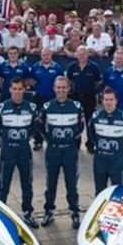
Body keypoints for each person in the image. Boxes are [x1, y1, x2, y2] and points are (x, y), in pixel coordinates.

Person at [0, 78, 40, 228]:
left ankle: (28, 212)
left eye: (20, 89)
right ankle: (1, 213)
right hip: (8, 152)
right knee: (3, 184)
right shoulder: (1, 108)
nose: (17, 92)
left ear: (24, 90)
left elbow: (34, 129)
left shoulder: (32, 107)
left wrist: (24, 140)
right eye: (15, 88)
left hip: (24, 151)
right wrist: (6, 142)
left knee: (27, 183)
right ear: (10, 90)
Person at [40, 76, 85, 229]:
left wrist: (71, 140)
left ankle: (74, 212)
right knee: (50, 183)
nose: (61, 90)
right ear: (54, 88)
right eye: (58, 87)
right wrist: (50, 140)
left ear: (68, 88)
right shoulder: (47, 106)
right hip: (52, 151)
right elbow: (40, 126)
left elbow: (81, 127)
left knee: (71, 184)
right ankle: (49, 211)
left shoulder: (77, 106)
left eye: (63, 87)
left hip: (70, 151)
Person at [88, 88, 123, 193]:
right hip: (100, 160)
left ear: (116, 101)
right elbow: (90, 134)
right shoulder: (96, 116)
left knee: (117, 191)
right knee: (99, 191)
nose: (108, 102)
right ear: (102, 101)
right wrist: (97, 145)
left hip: (117, 161)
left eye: (111, 99)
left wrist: (121, 151)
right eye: (106, 99)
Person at [30, 48, 64, 149]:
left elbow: (61, 82)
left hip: (52, 98)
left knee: (53, 120)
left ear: (51, 55)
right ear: (41, 55)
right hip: (39, 97)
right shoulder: (35, 66)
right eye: (44, 55)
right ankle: (38, 141)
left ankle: (53, 141)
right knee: (38, 120)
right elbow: (31, 80)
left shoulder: (57, 67)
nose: (46, 56)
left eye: (48, 54)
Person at [66, 46, 102, 127]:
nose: (82, 56)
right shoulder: (72, 66)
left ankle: (90, 139)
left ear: (87, 54)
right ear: (76, 54)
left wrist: (93, 90)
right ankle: (77, 139)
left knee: (89, 120)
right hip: (75, 97)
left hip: (89, 97)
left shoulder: (94, 67)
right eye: (80, 53)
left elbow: (98, 82)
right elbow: (68, 81)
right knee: (75, 120)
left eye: (84, 54)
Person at [103, 49, 123, 115]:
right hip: (111, 104)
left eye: (120, 58)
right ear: (114, 59)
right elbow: (106, 88)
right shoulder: (108, 71)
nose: (119, 60)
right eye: (117, 58)